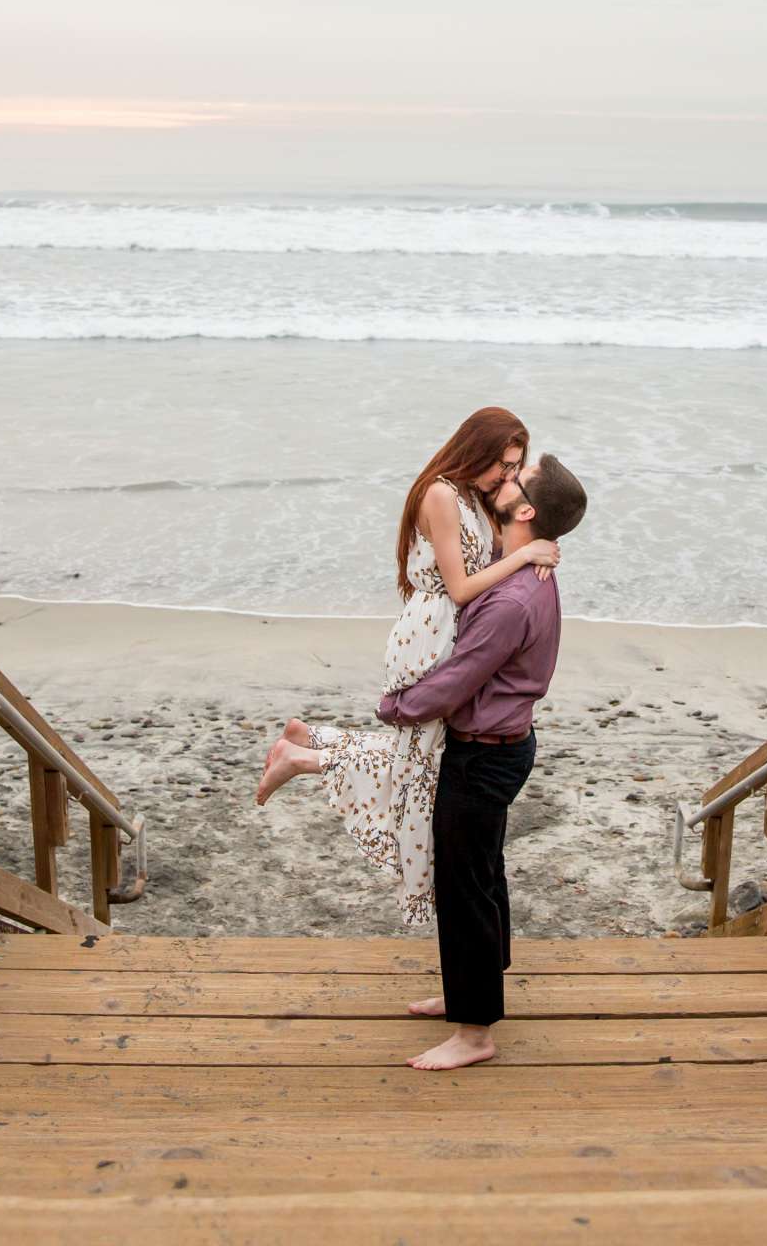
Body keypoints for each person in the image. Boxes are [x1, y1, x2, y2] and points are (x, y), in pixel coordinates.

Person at [253, 408, 558, 925]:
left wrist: (536, 550)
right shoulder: (440, 494)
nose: (505, 478)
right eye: (503, 465)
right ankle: (305, 755)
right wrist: (524, 560)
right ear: (476, 450)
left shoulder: (475, 498)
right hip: (429, 635)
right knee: (419, 768)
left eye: (514, 469)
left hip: (450, 630)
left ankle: (309, 746)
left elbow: (496, 556)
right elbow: (461, 588)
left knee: (423, 765)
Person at [386, 451, 586, 1071]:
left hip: (482, 756)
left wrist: (396, 706)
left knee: (465, 885)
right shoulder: (522, 574)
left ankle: (474, 1034)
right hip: (501, 746)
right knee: (483, 873)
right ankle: (470, 985)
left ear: (525, 509)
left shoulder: (509, 600)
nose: (502, 480)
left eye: (515, 479)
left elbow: (457, 681)